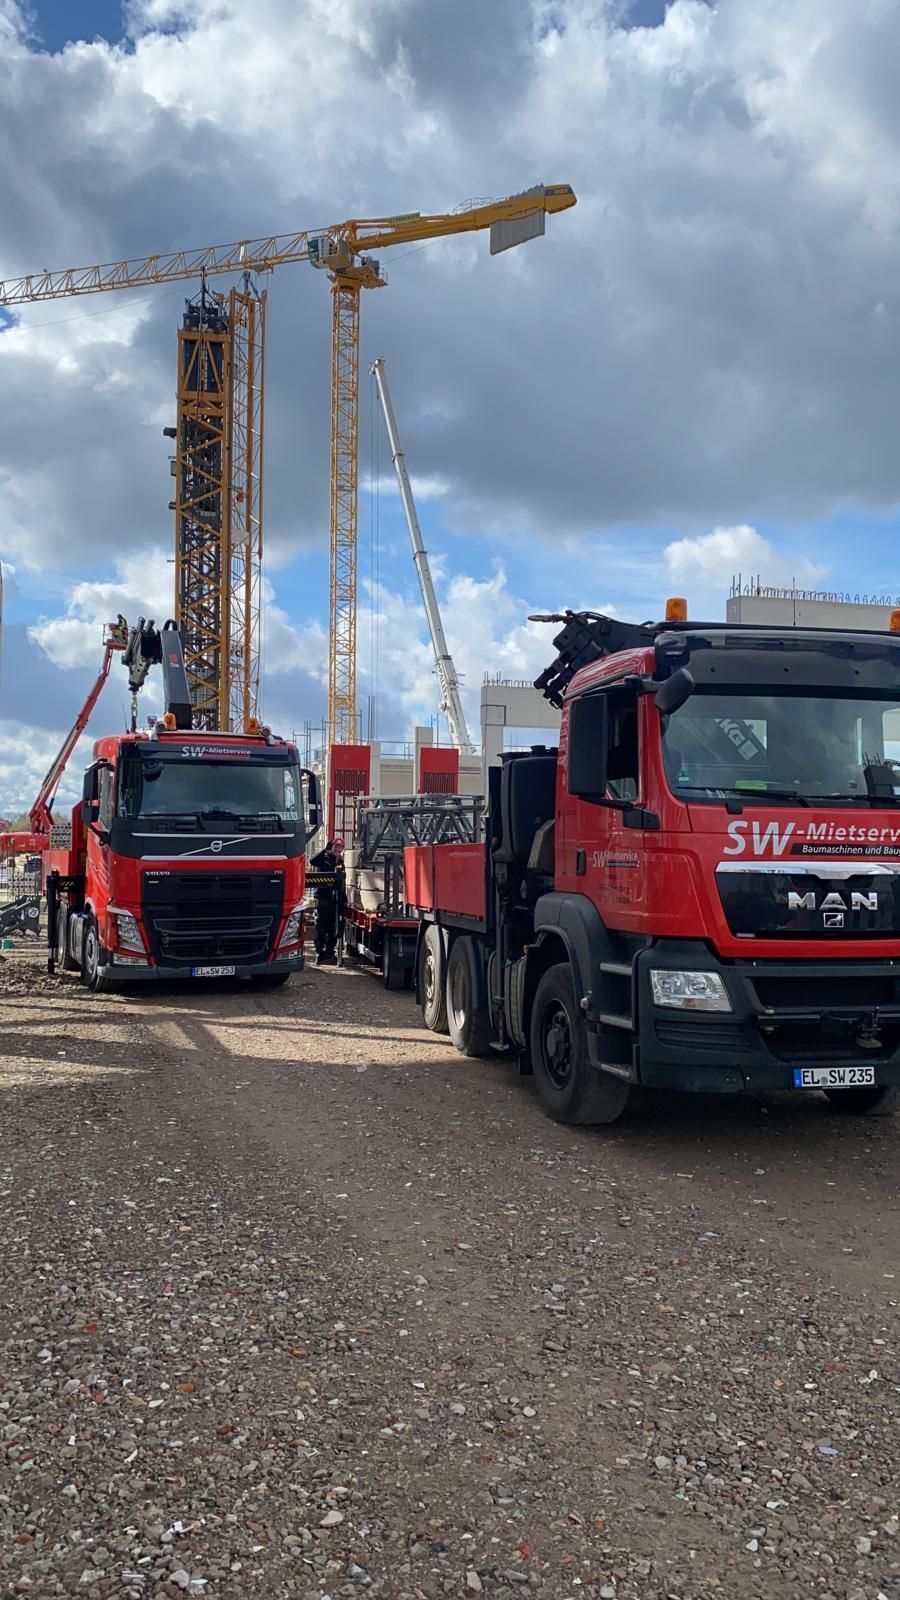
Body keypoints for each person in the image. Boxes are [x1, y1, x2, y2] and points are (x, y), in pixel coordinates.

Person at [310, 836, 345, 966]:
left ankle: (330, 952)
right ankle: (319, 953)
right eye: (336, 846)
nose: (338, 849)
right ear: (332, 846)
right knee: (321, 926)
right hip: (322, 897)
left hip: (335, 899)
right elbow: (312, 861)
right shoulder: (323, 858)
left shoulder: (340, 861)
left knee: (333, 927)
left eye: (340, 848)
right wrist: (324, 850)